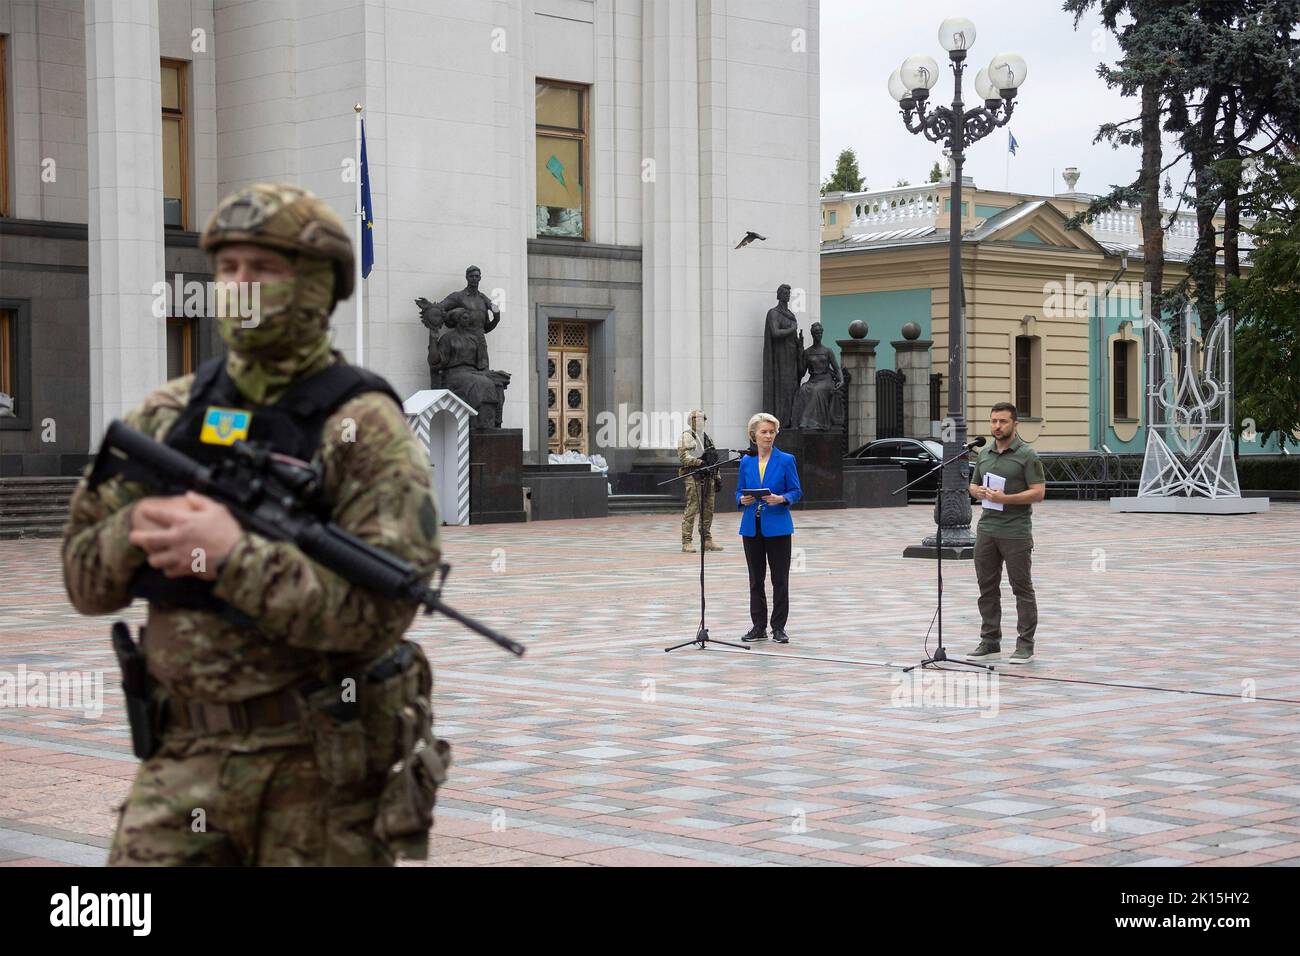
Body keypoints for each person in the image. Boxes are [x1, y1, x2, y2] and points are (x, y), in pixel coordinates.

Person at [62, 183, 447, 865]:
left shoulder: (363, 427)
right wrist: (136, 528)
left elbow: (377, 615)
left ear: (315, 286)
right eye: (228, 269)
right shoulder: (168, 413)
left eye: (262, 269)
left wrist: (233, 554)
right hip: (183, 760)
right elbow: (85, 583)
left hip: (318, 773)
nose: (239, 286)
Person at [966, 401, 1046, 663]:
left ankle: (1025, 644)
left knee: (1021, 588)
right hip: (987, 529)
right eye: (993, 421)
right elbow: (974, 484)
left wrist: (1006, 498)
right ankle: (990, 640)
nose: (997, 426)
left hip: (1015, 532)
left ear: (1015, 424)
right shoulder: (985, 453)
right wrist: (975, 491)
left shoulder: (1027, 455)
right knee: (986, 587)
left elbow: (1038, 492)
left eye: (1003, 421)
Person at [736, 412, 802, 644]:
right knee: (756, 578)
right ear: (753, 435)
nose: (768, 436)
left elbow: (796, 491)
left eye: (771, 432)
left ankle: (779, 627)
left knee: (779, 579)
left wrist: (781, 498)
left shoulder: (786, 460)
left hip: (778, 527)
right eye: (763, 432)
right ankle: (758, 626)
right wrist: (741, 500)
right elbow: (739, 490)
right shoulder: (746, 461)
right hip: (751, 526)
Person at [677, 409, 723, 554]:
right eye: (697, 419)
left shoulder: (707, 438)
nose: (700, 422)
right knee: (692, 508)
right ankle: (687, 541)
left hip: (709, 477)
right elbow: (684, 457)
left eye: (703, 419)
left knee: (708, 509)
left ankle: (706, 540)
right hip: (694, 476)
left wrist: (718, 477)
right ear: (691, 421)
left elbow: (714, 459)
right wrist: (700, 462)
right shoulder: (687, 436)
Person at [790, 321, 845, 430]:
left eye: (820, 333)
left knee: (816, 391)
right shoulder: (807, 352)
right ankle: (797, 423)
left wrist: (841, 380)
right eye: (816, 333)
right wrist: (800, 352)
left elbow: (837, 368)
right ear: (812, 334)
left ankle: (808, 422)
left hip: (826, 380)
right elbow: (802, 372)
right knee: (802, 390)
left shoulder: (828, 351)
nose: (818, 335)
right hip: (813, 380)